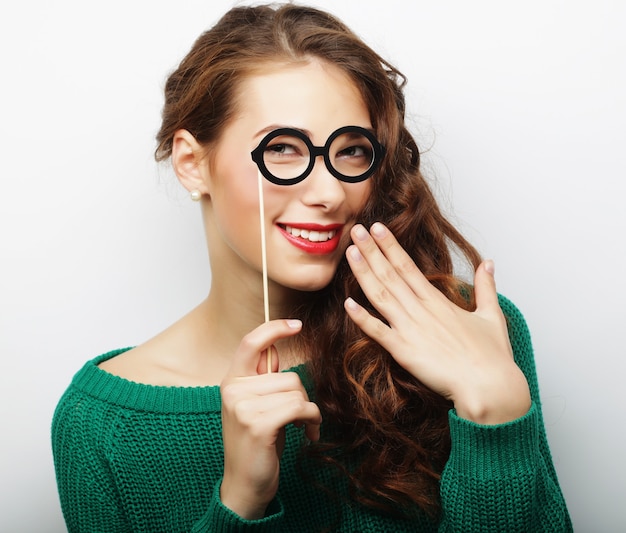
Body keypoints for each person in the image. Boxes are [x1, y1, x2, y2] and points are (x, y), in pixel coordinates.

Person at [51, 3, 572, 532]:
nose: (329, 193)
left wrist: (496, 416)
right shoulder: (101, 428)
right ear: (192, 163)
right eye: (282, 149)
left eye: (350, 152)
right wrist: (240, 501)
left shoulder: (470, 330)